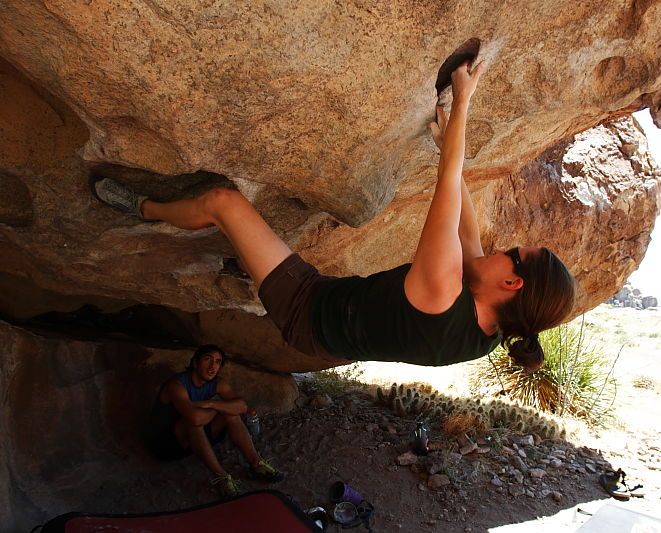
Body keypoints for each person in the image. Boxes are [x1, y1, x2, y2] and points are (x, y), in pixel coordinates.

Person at [93, 61, 576, 372]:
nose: (498, 250)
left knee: (225, 203)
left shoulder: (441, 293)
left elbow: (447, 190)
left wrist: (464, 102)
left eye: (512, 255)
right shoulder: (487, 326)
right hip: (339, 331)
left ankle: (145, 208)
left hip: (308, 310)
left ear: (513, 284)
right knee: (248, 237)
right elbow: (466, 228)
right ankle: (244, 263)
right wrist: (444, 141)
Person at [146, 344, 284, 498]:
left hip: (194, 441)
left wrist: (211, 404)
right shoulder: (177, 385)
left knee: (231, 414)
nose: (213, 366)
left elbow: (241, 406)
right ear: (195, 363)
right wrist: (221, 407)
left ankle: (256, 464)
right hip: (166, 445)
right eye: (208, 359)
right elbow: (195, 418)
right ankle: (221, 478)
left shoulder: (218, 383)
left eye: (218, 362)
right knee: (196, 423)